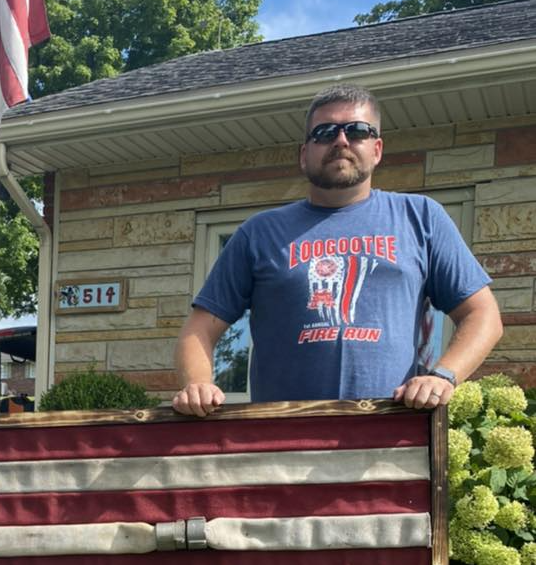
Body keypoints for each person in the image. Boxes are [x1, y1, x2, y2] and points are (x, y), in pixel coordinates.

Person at [172, 84, 503, 417]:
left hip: (392, 436)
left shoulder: (420, 218)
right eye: (325, 132)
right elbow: (199, 328)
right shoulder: (259, 233)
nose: (341, 140)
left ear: (377, 149)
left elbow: (483, 315)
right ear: (304, 154)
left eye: (357, 131)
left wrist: (442, 376)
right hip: (281, 438)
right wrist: (198, 384)